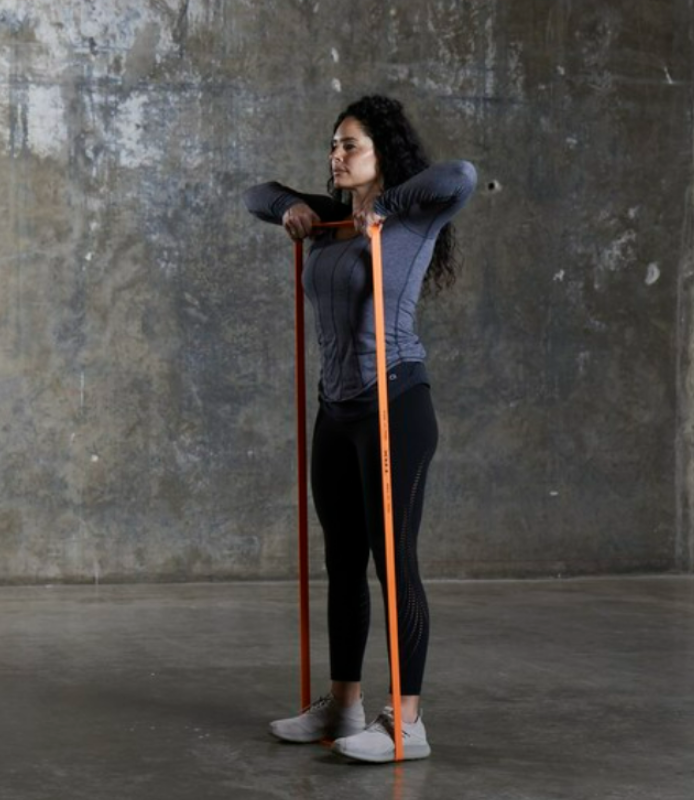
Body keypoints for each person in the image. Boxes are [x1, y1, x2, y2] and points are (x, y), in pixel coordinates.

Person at [243, 95, 477, 763]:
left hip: (395, 404)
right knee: (342, 562)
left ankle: (407, 723)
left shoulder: (414, 213)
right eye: (333, 145)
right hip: (337, 408)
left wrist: (393, 204)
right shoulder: (329, 221)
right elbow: (257, 194)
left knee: (393, 563)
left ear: (382, 155)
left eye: (350, 146)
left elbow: (460, 173)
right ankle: (342, 708)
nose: (335, 155)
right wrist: (290, 209)